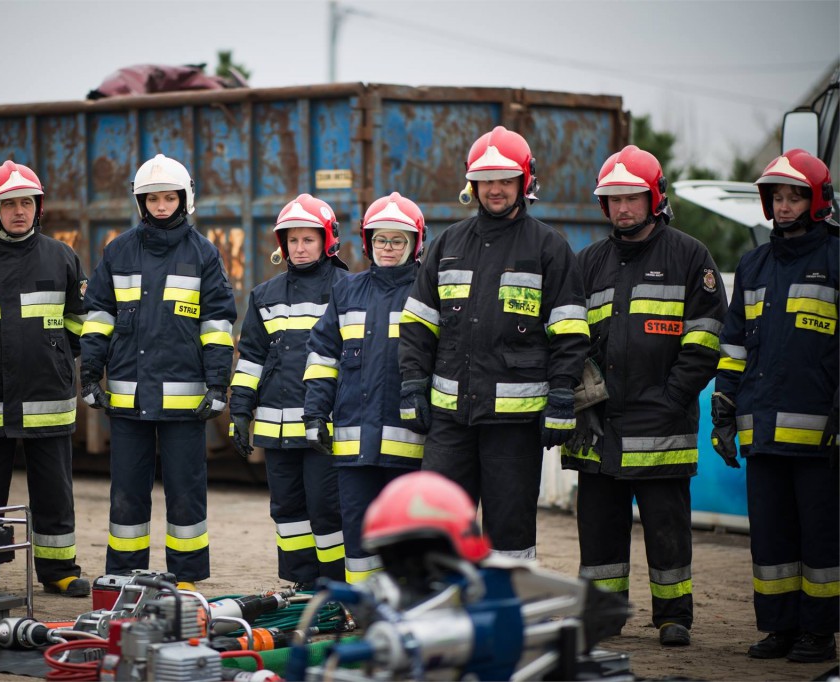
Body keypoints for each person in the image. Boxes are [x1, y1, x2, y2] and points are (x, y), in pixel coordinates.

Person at [560, 145, 727, 647]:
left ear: (654, 199)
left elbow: (705, 340)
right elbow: (568, 337)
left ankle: (673, 616)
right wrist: (581, 398)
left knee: (666, 528)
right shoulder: (587, 262)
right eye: (613, 200)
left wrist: (671, 398)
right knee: (600, 529)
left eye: (633, 197)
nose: (623, 208)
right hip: (598, 426)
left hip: (661, 425)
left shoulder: (690, 256)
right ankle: (604, 615)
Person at [397, 126, 589, 560]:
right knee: (439, 523)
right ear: (473, 184)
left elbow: (570, 331)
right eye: (487, 180)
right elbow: (418, 325)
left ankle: (508, 613)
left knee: (510, 527)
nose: (496, 189)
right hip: (450, 420)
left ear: (525, 183)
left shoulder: (549, 248)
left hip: (514, 425)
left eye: (505, 180)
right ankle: (445, 613)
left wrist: (561, 395)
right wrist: (412, 384)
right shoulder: (448, 245)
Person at [79, 154, 236, 591]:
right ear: (140, 201)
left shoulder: (203, 254)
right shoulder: (118, 251)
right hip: (128, 402)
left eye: (169, 197)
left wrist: (219, 384)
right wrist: (90, 376)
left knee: (186, 493)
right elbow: (98, 318)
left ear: (185, 199)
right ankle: (125, 576)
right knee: (127, 494)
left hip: (185, 406)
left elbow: (218, 325)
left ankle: (185, 578)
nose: (161, 205)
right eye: (153, 198)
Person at [711, 149, 838, 663]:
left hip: (821, 439)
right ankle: (780, 628)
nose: (783, 207)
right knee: (771, 541)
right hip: (761, 431)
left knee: (822, 540)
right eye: (777, 198)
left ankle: (819, 632)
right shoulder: (754, 264)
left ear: (817, 201)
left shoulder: (835, 259)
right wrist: (722, 410)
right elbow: (735, 345)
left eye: (794, 197)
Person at [0, 161, 90, 597]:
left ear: (38, 207)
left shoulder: (62, 255)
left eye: (26, 203)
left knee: (54, 491)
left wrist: (53, 355)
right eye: (8, 204)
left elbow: (79, 323)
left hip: (46, 396)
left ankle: (58, 569)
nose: (18, 212)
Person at [303, 192, 425, 583]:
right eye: (380, 239)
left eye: (398, 240)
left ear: (415, 244)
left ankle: (405, 607)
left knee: (405, 532)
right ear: (368, 242)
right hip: (354, 445)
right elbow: (323, 356)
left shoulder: (427, 292)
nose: (387, 248)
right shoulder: (346, 291)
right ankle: (363, 609)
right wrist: (315, 413)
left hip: (409, 443)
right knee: (358, 530)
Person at [229, 194, 349, 588]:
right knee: (288, 511)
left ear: (327, 241)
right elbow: (250, 359)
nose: (299, 248)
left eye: (308, 240)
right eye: (292, 240)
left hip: (325, 428)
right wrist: (241, 412)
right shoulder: (265, 295)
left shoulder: (347, 289)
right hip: (276, 429)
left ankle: (334, 584)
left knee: (327, 509)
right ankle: (300, 584)